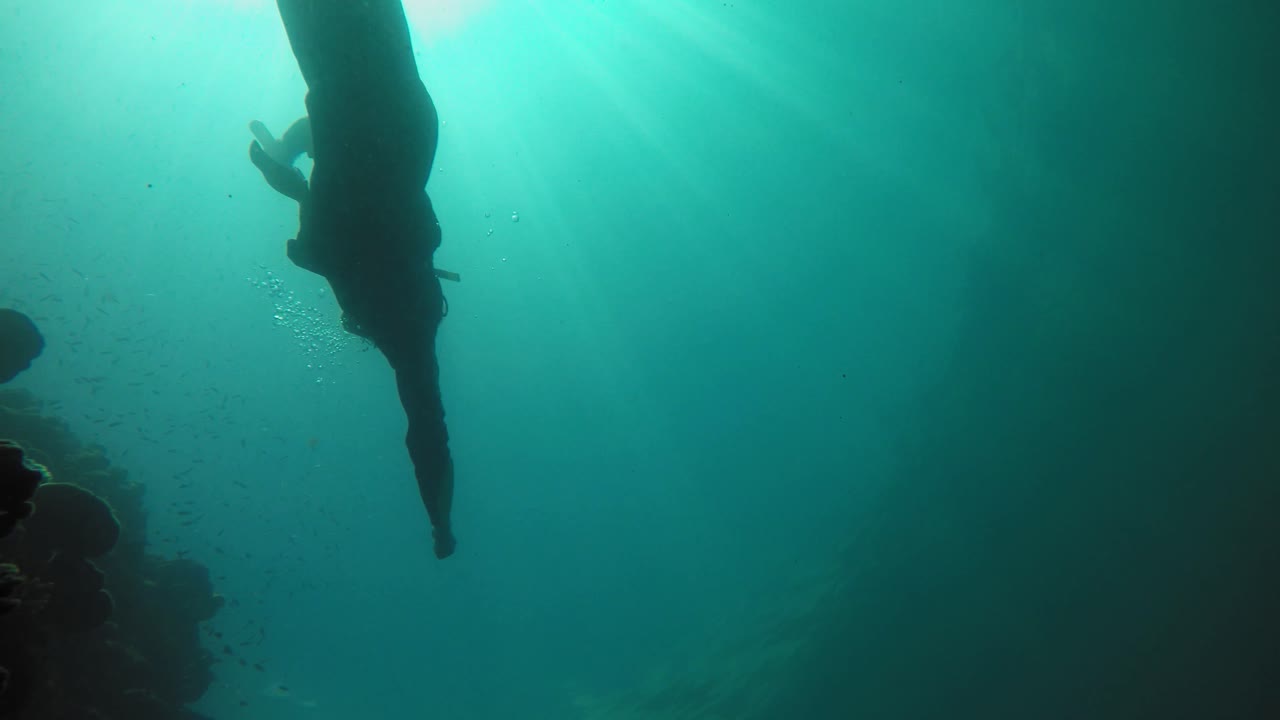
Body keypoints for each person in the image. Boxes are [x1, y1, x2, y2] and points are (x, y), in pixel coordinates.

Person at [249, 0, 457, 559]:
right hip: (379, 121)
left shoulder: (410, 330)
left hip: (403, 124)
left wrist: (285, 164)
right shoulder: (406, 339)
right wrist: (285, 170)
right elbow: (426, 435)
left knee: (359, 56)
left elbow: (322, 146)